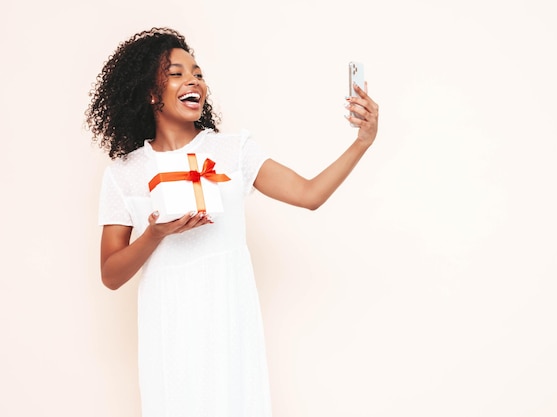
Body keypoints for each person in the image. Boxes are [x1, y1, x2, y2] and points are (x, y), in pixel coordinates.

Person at [86, 27, 378, 417]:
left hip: (229, 328)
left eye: (198, 73)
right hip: (169, 333)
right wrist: (155, 234)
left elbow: (309, 195)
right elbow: (111, 273)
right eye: (176, 73)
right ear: (151, 92)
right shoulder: (125, 174)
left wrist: (362, 141)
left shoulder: (232, 151)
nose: (193, 80)